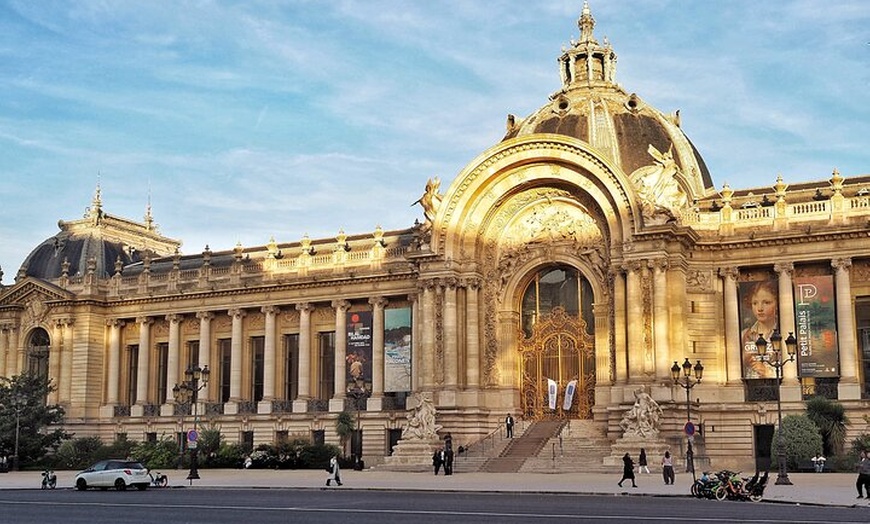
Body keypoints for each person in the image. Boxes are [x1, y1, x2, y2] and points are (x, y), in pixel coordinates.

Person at [741, 280, 778, 379]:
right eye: (755, 303)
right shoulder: (744, 335)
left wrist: (768, 372)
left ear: (777, 304)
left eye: (766, 302)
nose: (760, 308)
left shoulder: (785, 333)